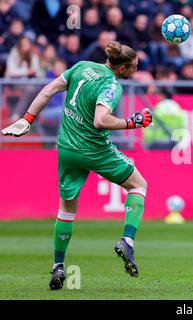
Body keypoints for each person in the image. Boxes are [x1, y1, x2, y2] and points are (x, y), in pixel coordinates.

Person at [1, 41, 152, 289]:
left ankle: (58, 266)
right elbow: (100, 121)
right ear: (122, 68)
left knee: (66, 208)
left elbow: (48, 90)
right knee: (138, 185)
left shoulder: (81, 67)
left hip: (66, 148)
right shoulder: (111, 85)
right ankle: (127, 241)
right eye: (134, 67)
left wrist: (28, 119)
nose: (135, 71)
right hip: (95, 149)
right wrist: (131, 122)